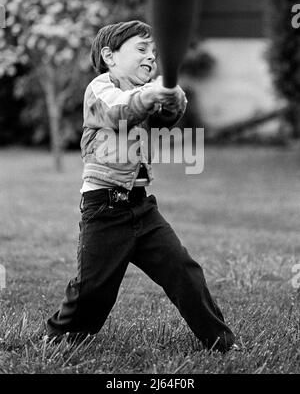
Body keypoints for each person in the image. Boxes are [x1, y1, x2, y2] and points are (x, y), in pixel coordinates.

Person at [46, 20, 235, 352]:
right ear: (110, 56)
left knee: (184, 271)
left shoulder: (143, 94)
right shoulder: (101, 89)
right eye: (142, 49)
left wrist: (173, 96)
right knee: (94, 290)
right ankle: (59, 336)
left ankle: (219, 341)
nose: (151, 57)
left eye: (155, 52)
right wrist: (150, 93)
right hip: (104, 207)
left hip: (141, 207)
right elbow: (120, 111)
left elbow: (166, 116)